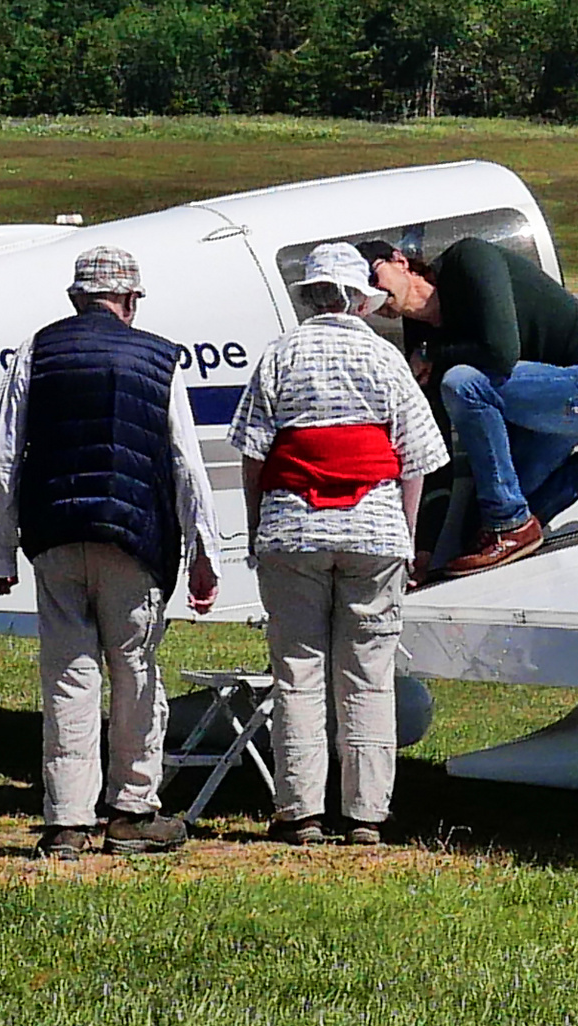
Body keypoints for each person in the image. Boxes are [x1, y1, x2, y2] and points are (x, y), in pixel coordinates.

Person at [0, 245, 222, 862]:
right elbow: (185, 463)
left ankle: (67, 822)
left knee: (67, 674)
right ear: (131, 301)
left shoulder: (39, 349)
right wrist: (203, 554)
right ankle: (133, 810)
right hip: (134, 538)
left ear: (75, 299)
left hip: (55, 532)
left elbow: (4, 456)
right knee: (136, 672)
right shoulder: (159, 358)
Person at [226, 242, 449, 846]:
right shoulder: (384, 358)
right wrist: (404, 535)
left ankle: (299, 810)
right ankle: (366, 813)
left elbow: (253, 454)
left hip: (292, 531)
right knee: (368, 673)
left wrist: (256, 526)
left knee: (298, 670)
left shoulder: (280, 355)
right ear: (359, 297)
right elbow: (417, 458)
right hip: (374, 531)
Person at [357, 238, 578, 579]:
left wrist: (435, 356)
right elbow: (435, 441)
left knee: (461, 382)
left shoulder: (468, 259)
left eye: (374, 278)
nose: (375, 296)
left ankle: (511, 524)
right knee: (476, 533)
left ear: (400, 261)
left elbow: (501, 352)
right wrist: (422, 550)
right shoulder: (422, 334)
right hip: (531, 414)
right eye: (364, 295)